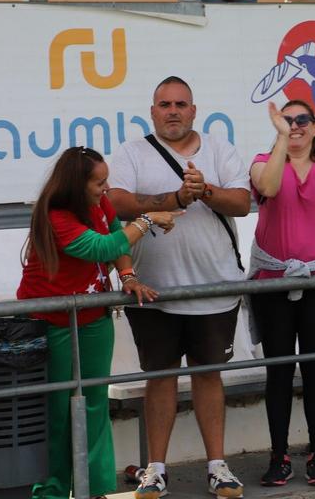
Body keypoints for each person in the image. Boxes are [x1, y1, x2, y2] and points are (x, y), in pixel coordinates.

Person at [107, 76, 251, 499]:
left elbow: (242, 203)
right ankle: (155, 470)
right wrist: (175, 198)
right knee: (160, 378)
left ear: (194, 110)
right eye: (165, 104)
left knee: (209, 375)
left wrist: (203, 190)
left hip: (214, 288)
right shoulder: (131, 153)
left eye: (180, 104)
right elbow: (115, 203)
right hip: (153, 290)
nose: (173, 111)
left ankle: (217, 467)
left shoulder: (220, 149)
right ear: (152, 112)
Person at [17, 146, 179, 499]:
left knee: (94, 404)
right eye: (99, 183)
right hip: (52, 323)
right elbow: (100, 248)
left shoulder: (99, 202)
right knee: (57, 410)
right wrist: (148, 219)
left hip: (94, 318)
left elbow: (115, 234)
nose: (106, 188)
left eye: (107, 181)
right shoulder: (55, 214)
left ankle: (94, 488)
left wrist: (128, 276)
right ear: (76, 185)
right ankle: (51, 491)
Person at [247, 99, 315, 487]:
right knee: (278, 371)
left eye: (302, 119)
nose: (294, 125)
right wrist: (281, 140)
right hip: (273, 282)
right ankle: (279, 456)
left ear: (314, 126)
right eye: (286, 119)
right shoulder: (263, 160)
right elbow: (268, 186)